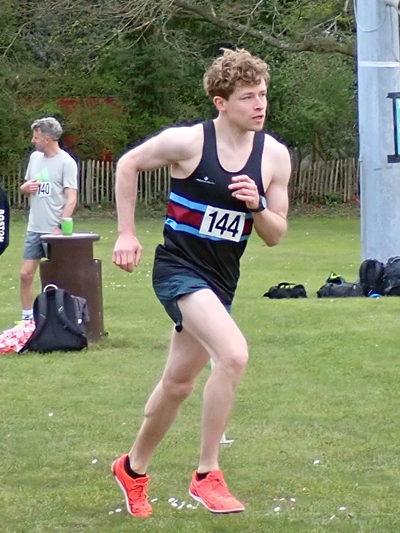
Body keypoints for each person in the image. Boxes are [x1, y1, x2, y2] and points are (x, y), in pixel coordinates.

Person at [112, 48, 291, 517]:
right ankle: (207, 474)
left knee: (178, 383)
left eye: (263, 95)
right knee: (233, 354)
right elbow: (128, 164)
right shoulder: (188, 142)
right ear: (221, 102)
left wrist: (257, 207)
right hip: (178, 270)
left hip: (220, 281)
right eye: (248, 97)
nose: (259, 104)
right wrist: (127, 233)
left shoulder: (274, 156)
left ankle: (132, 468)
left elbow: (275, 234)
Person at [19, 117, 78, 322]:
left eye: (35, 137)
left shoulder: (66, 162)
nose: (32, 141)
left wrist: (60, 227)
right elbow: (28, 187)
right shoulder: (35, 158)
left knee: (58, 279)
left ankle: (64, 320)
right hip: (34, 228)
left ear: (47, 138)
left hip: (55, 231)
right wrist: (24, 188)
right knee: (25, 274)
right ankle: (27, 319)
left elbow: (71, 198)